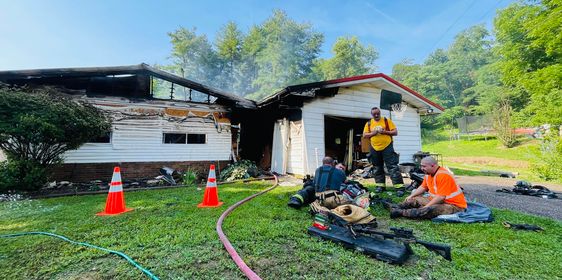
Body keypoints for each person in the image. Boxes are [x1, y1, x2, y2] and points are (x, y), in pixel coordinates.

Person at [389, 156, 467, 219]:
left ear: (433, 165)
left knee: (428, 209)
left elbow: (441, 197)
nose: (422, 168)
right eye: (421, 166)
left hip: (454, 205)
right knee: (414, 199)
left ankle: (401, 213)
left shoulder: (443, 175)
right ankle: (397, 207)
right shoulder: (428, 174)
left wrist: (427, 206)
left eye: (424, 166)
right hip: (438, 200)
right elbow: (423, 187)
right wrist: (411, 196)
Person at [362, 107, 404, 194]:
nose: (376, 115)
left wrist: (384, 132)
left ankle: (399, 188)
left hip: (387, 146)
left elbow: (395, 132)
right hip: (374, 147)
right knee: (377, 167)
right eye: (374, 114)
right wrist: (373, 133)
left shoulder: (386, 120)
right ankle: (380, 187)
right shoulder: (369, 123)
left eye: (378, 113)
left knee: (392, 166)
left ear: (380, 113)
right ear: (372, 115)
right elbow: (365, 135)